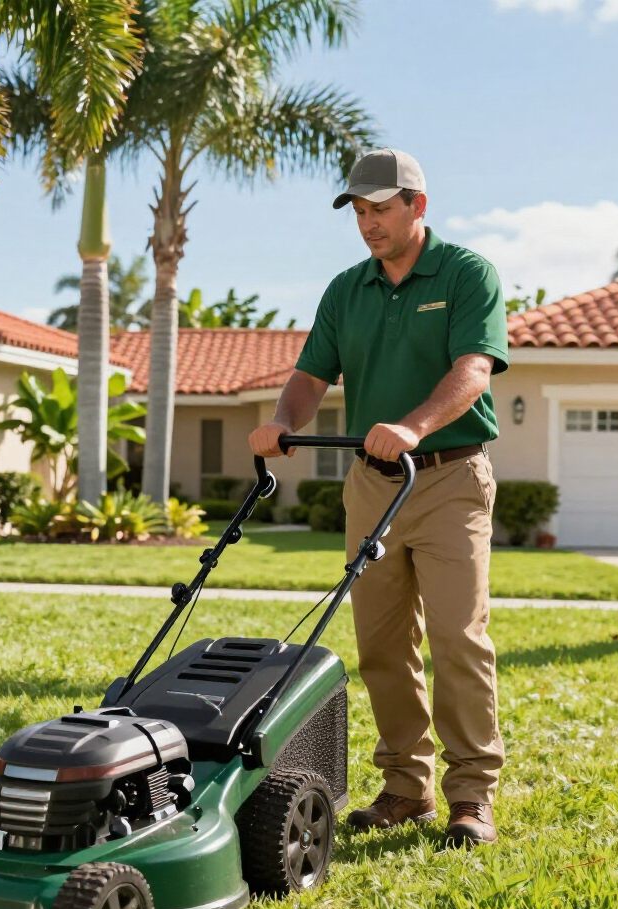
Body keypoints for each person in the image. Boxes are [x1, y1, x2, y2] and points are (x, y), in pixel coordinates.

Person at [248, 149, 508, 846]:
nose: (367, 224)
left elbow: (474, 369)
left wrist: (414, 425)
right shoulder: (346, 289)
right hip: (372, 483)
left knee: (459, 639)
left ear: (417, 206)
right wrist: (281, 422)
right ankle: (405, 786)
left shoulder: (465, 274)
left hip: (449, 476)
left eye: (380, 210)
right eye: (358, 212)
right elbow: (310, 376)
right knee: (382, 645)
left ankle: (471, 796)